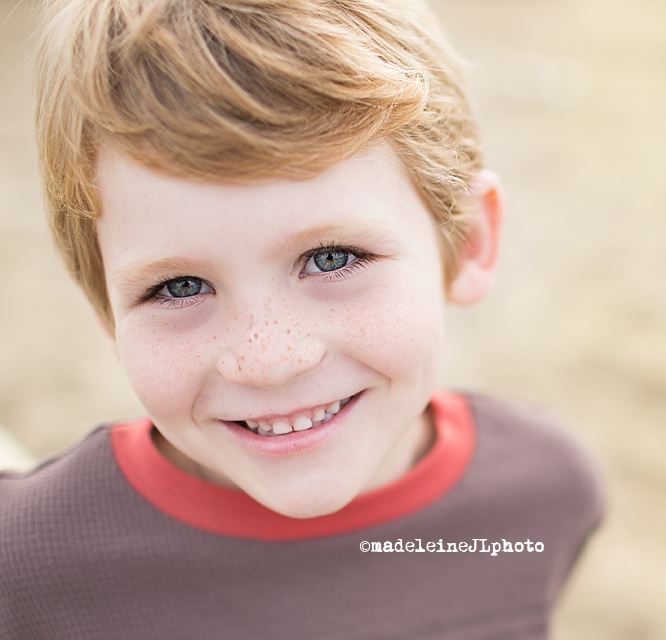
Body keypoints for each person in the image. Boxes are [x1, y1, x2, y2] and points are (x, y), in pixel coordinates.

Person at [0, 0, 605, 636]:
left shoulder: (543, 498)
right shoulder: (28, 570)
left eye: (331, 258)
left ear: (473, 241)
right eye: (180, 286)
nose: (269, 361)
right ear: (107, 315)